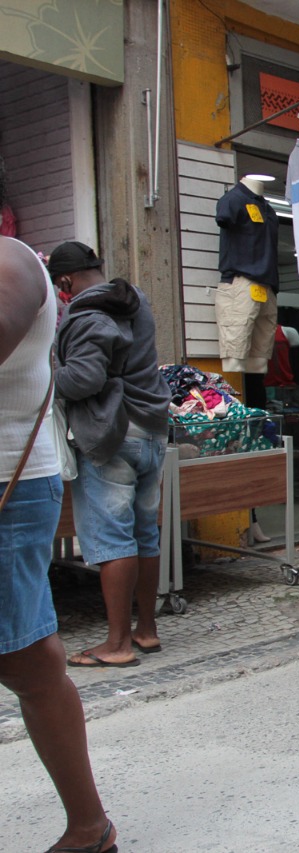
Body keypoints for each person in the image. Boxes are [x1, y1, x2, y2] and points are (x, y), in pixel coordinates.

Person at [0, 237, 117, 853]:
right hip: (82, 451)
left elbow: (90, 377)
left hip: (21, 475)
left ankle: (89, 825)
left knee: (25, 656)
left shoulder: (13, 262)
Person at [50, 242, 171, 669]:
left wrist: (46, 377)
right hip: (152, 430)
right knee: (144, 535)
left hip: (112, 433)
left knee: (112, 540)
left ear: (64, 282)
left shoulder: (86, 315)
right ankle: (147, 632)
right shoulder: (135, 299)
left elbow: (83, 378)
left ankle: (117, 644)